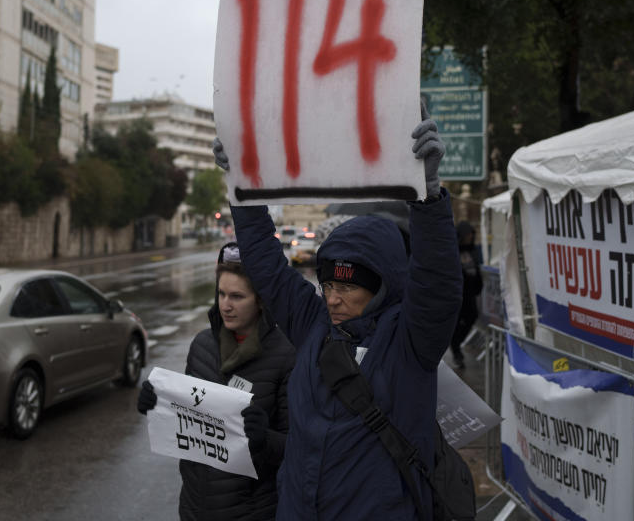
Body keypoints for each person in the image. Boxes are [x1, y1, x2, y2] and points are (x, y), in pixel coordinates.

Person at [211, 108, 463, 520]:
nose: (332, 299)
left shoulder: (411, 342)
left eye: (347, 287)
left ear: (382, 286)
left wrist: (429, 194)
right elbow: (266, 263)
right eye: (327, 285)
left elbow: (437, 281)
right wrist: (241, 186)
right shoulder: (313, 326)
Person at [137, 242, 296, 520]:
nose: (225, 305)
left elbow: (297, 448)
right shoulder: (202, 345)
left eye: (237, 296)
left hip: (252, 511)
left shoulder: (285, 355)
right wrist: (155, 403)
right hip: (195, 508)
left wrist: (264, 439)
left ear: (259, 299)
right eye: (221, 294)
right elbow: (186, 416)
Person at [450, 221, 483, 369]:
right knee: (456, 321)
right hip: (457, 293)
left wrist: (478, 284)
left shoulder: (472, 250)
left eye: (471, 234)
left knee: (472, 316)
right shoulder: (453, 251)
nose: (470, 237)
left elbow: (476, 268)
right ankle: (456, 350)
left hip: (470, 293)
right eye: (467, 234)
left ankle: (456, 343)